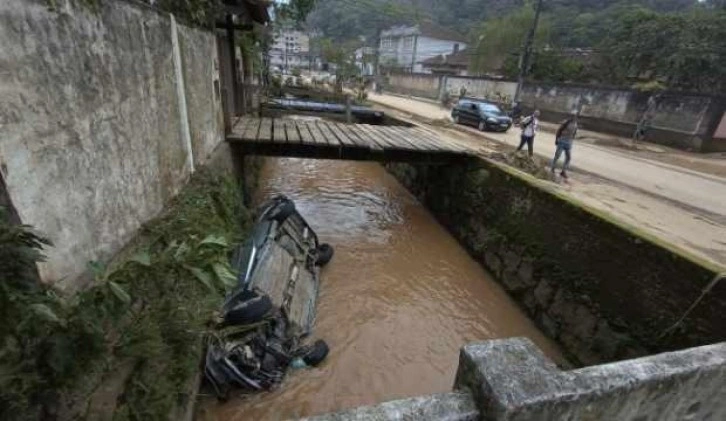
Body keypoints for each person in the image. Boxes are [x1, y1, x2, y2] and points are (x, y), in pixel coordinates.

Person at [551, 114, 578, 179]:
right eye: (573, 116)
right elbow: (559, 130)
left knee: (568, 157)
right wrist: (556, 139)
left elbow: (574, 133)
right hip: (562, 141)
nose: (574, 117)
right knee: (557, 155)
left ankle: (563, 171)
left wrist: (572, 140)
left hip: (568, 143)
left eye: (575, 116)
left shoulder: (575, 124)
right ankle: (553, 168)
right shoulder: (566, 122)